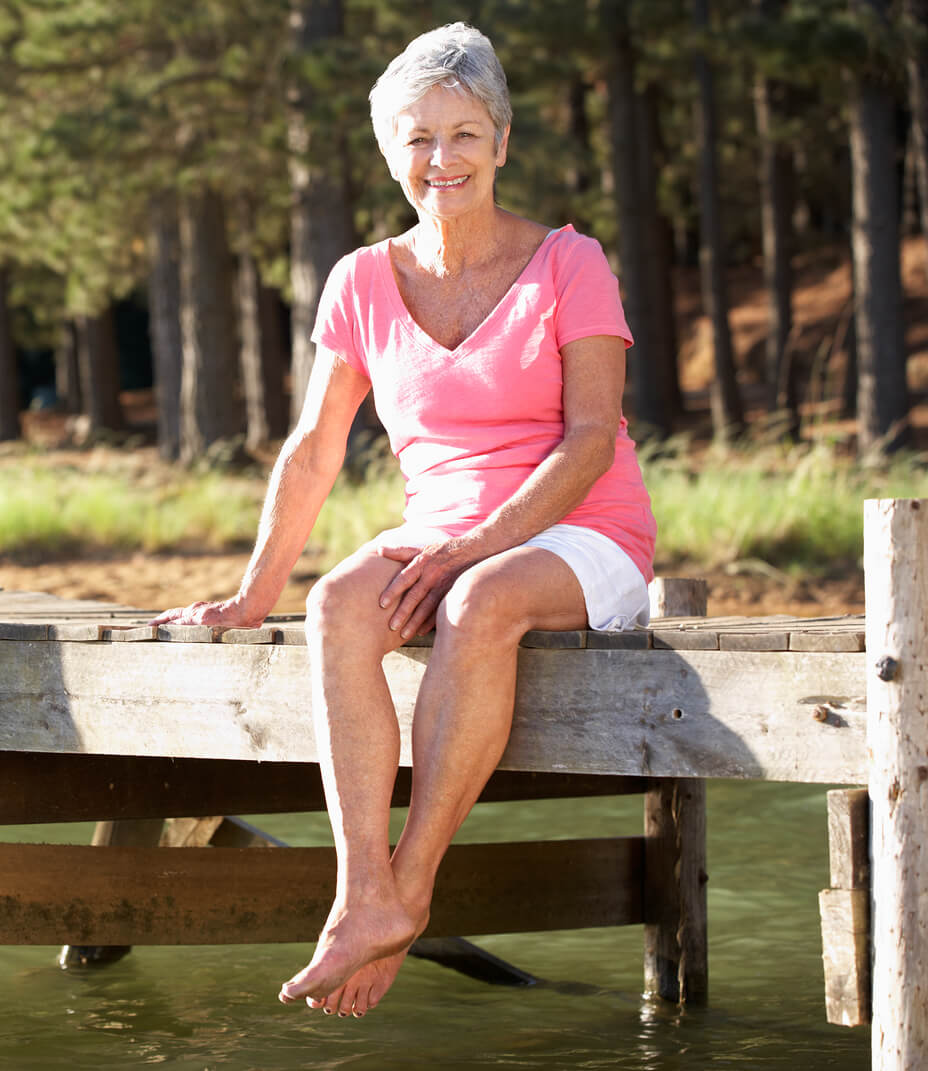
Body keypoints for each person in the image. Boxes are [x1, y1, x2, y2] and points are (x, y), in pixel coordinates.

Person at [150, 22, 656, 1019]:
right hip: (443, 534)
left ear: (502, 143)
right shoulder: (361, 280)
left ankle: (409, 887)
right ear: (391, 155)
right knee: (338, 603)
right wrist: (256, 593)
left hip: (579, 534)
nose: (443, 159)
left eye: (464, 134)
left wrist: (471, 548)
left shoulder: (568, 262)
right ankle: (360, 891)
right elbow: (313, 447)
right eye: (418, 139)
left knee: (476, 602)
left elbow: (590, 440)